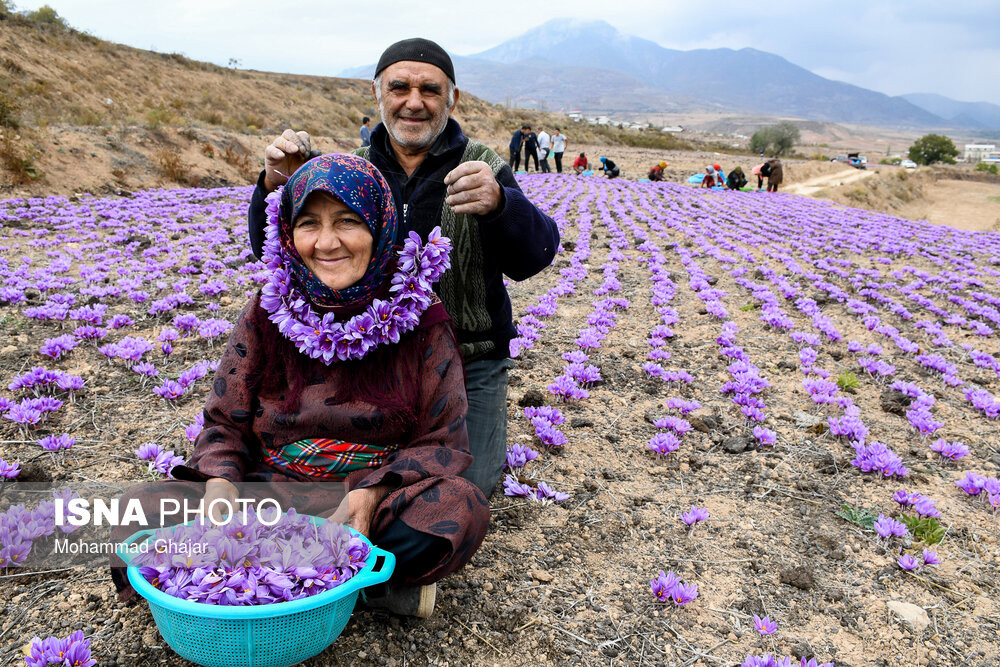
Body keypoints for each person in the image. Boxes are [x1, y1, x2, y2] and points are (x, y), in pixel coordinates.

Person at [112, 154, 489, 618]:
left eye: (348, 221)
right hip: (268, 494)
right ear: (288, 233)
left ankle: (254, 580)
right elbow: (224, 422)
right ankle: (356, 586)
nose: (326, 243)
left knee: (457, 507)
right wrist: (220, 483)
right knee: (137, 509)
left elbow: (442, 439)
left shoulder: (420, 316)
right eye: (309, 223)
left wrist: (370, 493)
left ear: (381, 227)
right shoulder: (267, 310)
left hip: (369, 498)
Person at [247, 38, 559, 499]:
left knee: (459, 487)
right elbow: (276, 250)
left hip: (469, 359)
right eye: (399, 88)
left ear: (452, 99)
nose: (414, 102)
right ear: (377, 94)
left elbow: (534, 257)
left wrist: (501, 205)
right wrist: (277, 184)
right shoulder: (352, 170)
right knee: (323, 475)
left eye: (430, 90)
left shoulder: (484, 167)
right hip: (371, 358)